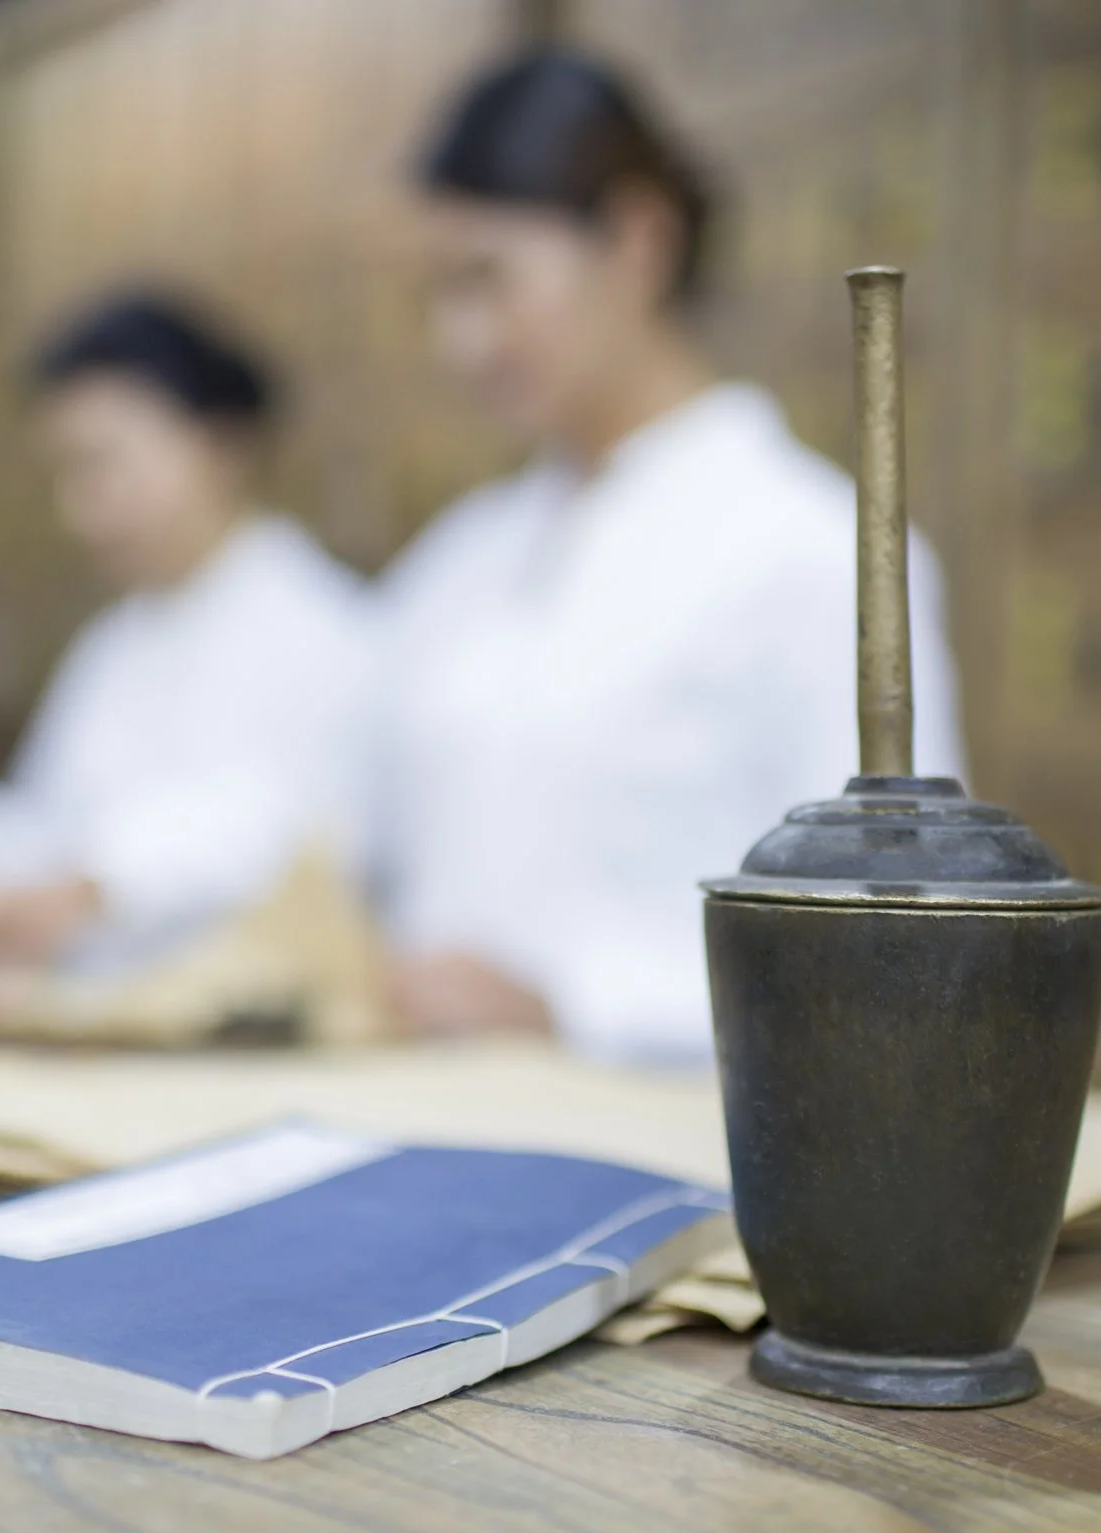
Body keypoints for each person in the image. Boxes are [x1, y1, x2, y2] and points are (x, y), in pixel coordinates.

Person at [376, 48, 967, 1065]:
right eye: (438, 292)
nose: (459, 341)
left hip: (680, 1155)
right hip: (431, 1126)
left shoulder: (812, 554)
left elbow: (900, 944)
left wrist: (572, 1002)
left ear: (637, 240)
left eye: (489, 279)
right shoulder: (462, 561)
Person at [0, 294, 371, 976]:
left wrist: (88, 889)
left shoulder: (320, 628)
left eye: (102, 464)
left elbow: (291, 841)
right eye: (65, 475)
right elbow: (47, 843)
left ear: (216, 444)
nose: (79, 509)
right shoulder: (113, 645)